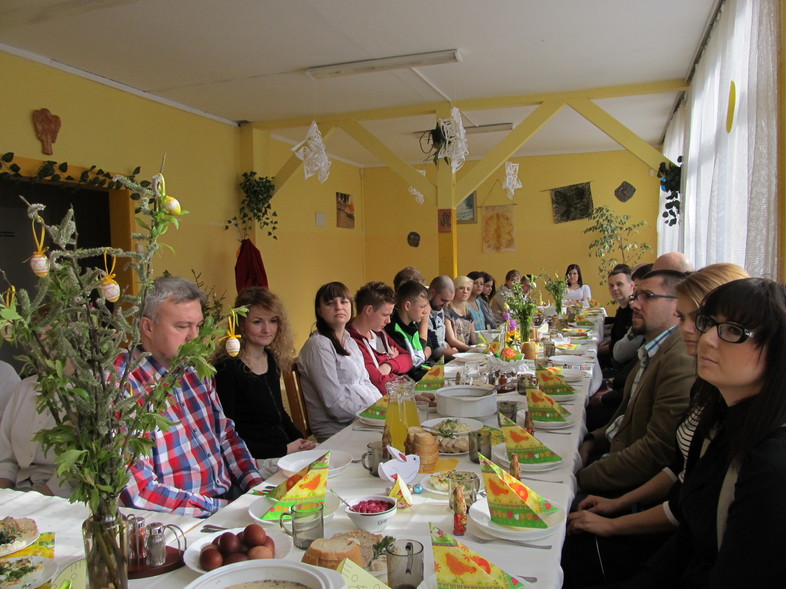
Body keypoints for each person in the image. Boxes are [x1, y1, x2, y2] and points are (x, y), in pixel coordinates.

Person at [563, 264, 750, 588]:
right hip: (663, 524)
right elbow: (681, 476)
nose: (693, 331)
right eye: (689, 318)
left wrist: (584, 482)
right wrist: (613, 500)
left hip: (664, 532)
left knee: (562, 544)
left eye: (703, 321)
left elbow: (661, 458)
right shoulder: (709, 394)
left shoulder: (688, 366)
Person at [596, 277, 786, 588]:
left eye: (733, 331)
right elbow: (689, 533)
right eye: (707, 323)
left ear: (777, 349)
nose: (706, 339)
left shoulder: (769, 465)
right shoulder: (724, 419)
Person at [118, 276, 262, 517]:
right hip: (180, 518)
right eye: (182, 326)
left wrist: (255, 486)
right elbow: (139, 491)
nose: (194, 337)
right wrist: (226, 510)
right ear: (148, 327)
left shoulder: (194, 369)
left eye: (198, 325)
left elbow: (225, 435)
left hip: (228, 497)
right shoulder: (123, 386)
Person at [576, 270, 694, 495]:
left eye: (647, 296)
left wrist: (579, 479)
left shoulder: (680, 360)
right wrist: (591, 440)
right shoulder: (654, 347)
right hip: (611, 459)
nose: (634, 305)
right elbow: (624, 419)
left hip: (624, 486)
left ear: (677, 305)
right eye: (636, 296)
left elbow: (656, 453)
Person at [213, 287, 316, 461]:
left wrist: (300, 440)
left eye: (273, 321)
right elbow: (228, 435)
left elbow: (278, 412)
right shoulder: (226, 368)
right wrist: (283, 450)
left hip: (283, 450)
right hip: (254, 459)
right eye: (257, 322)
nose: (267, 329)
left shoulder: (271, 358)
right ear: (241, 324)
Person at [298, 282, 381, 442]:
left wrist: (383, 406)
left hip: (362, 419)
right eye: (330, 303)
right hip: (339, 430)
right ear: (319, 311)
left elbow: (365, 382)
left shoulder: (350, 340)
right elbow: (335, 405)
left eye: (344, 302)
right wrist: (372, 412)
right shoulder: (319, 345)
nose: (338, 307)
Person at [0, 376, 69, 497]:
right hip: (19, 490)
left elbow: (76, 472)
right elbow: (6, 459)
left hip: (61, 498)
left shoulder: (91, 392)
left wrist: (30, 500)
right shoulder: (23, 387)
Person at [348, 281, 413, 394]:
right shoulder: (353, 341)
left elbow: (408, 358)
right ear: (369, 310)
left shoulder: (380, 334)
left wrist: (389, 365)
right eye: (385, 315)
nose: (389, 321)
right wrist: (397, 366)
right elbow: (379, 383)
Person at [385, 280, 432, 380]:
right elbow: (409, 369)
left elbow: (423, 356)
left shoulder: (413, 326)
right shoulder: (392, 331)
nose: (425, 312)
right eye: (422, 307)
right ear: (407, 306)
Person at [427, 275, 460, 362]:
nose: (446, 305)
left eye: (449, 301)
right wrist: (461, 356)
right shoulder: (424, 311)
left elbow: (441, 340)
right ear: (432, 292)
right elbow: (435, 349)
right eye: (444, 300)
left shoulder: (439, 307)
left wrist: (451, 349)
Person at [445, 276, 478, 351]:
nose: (465, 291)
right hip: (453, 351)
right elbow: (451, 340)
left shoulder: (468, 311)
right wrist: (470, 349)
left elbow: (473, 338)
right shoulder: (447, 310)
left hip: (468, 351)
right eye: (461, 288)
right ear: (454, 289)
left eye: (468, 289)